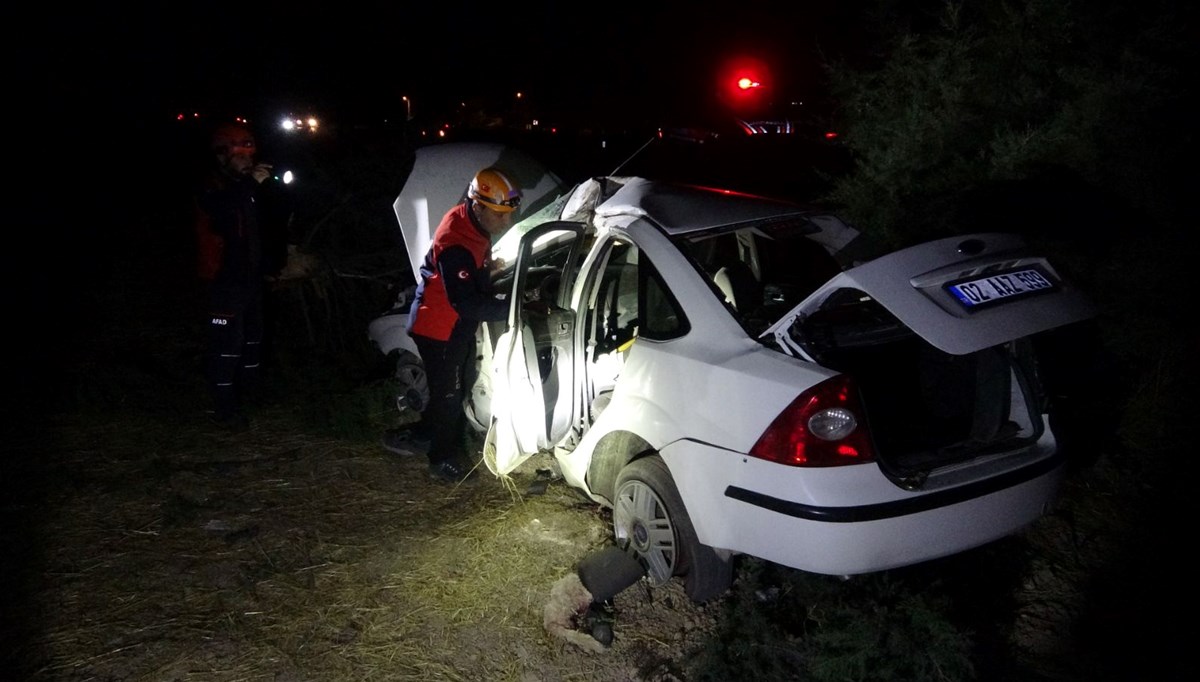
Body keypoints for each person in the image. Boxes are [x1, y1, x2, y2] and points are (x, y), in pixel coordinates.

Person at [383, 168, 521, 483]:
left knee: (462, 381)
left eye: (510, 214)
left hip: (455, 325)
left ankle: (425, 433)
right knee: (449, 396)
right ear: (478, 206)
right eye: (500, 216)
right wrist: (514, 308)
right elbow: (467, 302)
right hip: (438, 330)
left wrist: (485, 269)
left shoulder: (469, 220)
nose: (506, 222)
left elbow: (469, 281)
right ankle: (441, 459)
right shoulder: (456, 244)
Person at [193, 121, 286, 428]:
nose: (249, 160)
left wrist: (272, 266)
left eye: (250, 152)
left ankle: (251, 395)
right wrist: (251, 185)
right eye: (241, 154)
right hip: (223, 282)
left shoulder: (247, 188)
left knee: (253, 342)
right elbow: (221, 213)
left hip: (250, 280)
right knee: (226, 345)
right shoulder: (213, 186)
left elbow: (262, 230)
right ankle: (224, 409)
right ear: (222, 155)